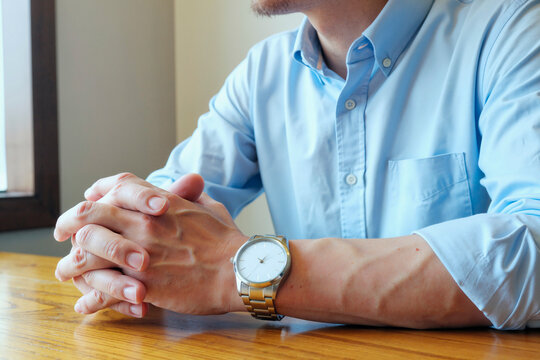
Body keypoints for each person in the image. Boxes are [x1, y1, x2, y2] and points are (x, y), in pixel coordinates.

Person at [54, 0, 540, 329]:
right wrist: (114, 240)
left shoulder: (513, 30)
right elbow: (157, 225)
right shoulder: (261, 72)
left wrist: (235, 270)